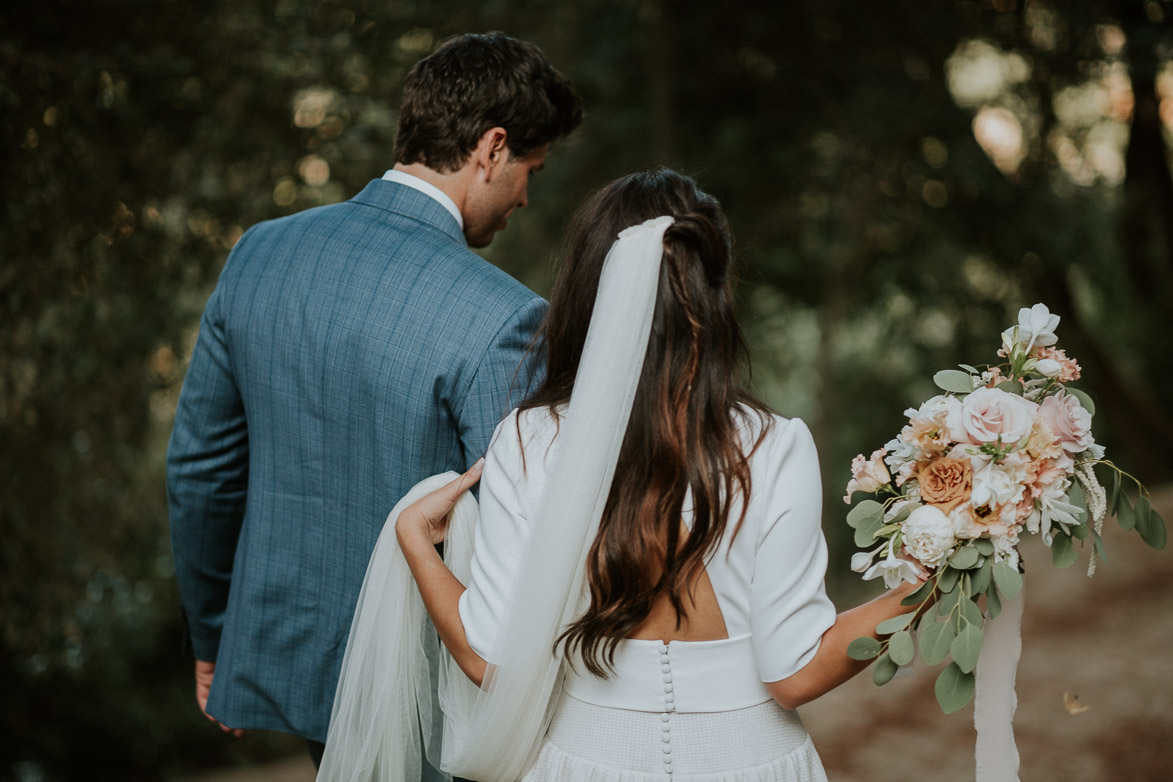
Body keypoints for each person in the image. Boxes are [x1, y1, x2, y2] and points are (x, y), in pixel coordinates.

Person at [385, 170, 926, 781]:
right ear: (714, 291)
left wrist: (414, 539)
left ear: (590, 292)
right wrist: (928, 588)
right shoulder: (775, 445)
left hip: (584, 762)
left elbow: (494, 662)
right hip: (750, 763)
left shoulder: (528, 438)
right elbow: (794, 673)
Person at [166, 31, 583, 771]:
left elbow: (201, 469)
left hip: (289, 663)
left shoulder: (259, 252)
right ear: (490, 148)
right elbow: (522, 542)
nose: (525, 195)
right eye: (530, 169)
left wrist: (213, 638)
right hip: (426, 691)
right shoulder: (504, 316)